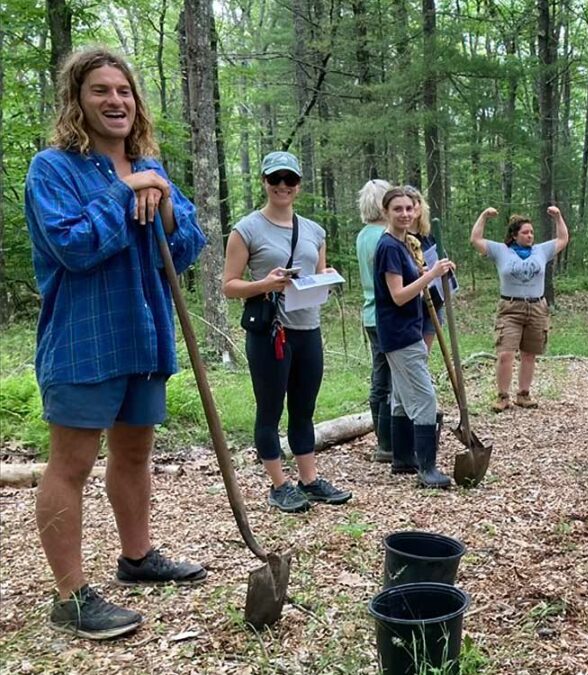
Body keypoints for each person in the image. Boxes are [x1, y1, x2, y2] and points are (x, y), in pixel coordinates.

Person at [25, 47, 207, 640]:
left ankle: (137, 557)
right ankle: (70, 595)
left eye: (123, 91)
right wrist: (127, 191)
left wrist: (165, 205)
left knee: (133, 454)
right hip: (83, 339)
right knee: (72, 462)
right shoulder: (52, 169)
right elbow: (71, 247)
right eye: (100, 90)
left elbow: (183, 250)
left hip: (144, 332)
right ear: (77, 100)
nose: (115, 101)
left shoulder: (149, 164)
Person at [223, 151, 352, 513]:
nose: (283, 186)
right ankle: (279, 484)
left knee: (304, 408)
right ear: (264, 181)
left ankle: (309, 481)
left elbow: (317, 276)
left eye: (290, 180)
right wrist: (264, 283)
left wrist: (327, 278)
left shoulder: (314, 230)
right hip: (270, 332)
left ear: (298, 185)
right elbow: (229, 286)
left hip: (307, 328)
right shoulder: (246, 229)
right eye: (275, 179)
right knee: (270, 408)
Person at [374, 187, 456, 488]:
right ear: (386, 212)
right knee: (424, 397)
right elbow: (398, 296)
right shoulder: (389, 248)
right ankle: (427, 468)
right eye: (398, 209)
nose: (405, 214)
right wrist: (431, 275)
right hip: (400, 332)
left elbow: (414, 277)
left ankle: (403, 458)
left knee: (399, 396)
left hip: (403, 329)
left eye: (409, 208)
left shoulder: (404, 243)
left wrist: (438, 270)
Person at [469, 205, 570, 411]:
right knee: (505, 353)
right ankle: (502, 396)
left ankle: (523, 394)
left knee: (529, 353)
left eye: (532, 232)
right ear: (514, 236)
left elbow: (563, 239)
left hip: (536, 307)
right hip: (510, 307)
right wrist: (484, 217)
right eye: (525, 232)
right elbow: (476, 240)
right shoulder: (501, 251)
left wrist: (558, 217)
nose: (530, 235)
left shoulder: (541, 250)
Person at [355, 178, 393, 464]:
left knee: (380, 376)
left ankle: (386, 440)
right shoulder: (384, 237)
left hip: (371, 312)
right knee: (385, 379)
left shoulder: (363, 235)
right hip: (384, 313)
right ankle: (387, 442)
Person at [402, 185, 447, 352]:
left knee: (423, 354)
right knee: (414, 355)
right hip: (414, 304)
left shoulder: (428, 235)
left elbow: (438, 258)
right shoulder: (400, 239)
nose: (411, 211)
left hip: (435, 300)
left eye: (414, 205)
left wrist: (446, 266)